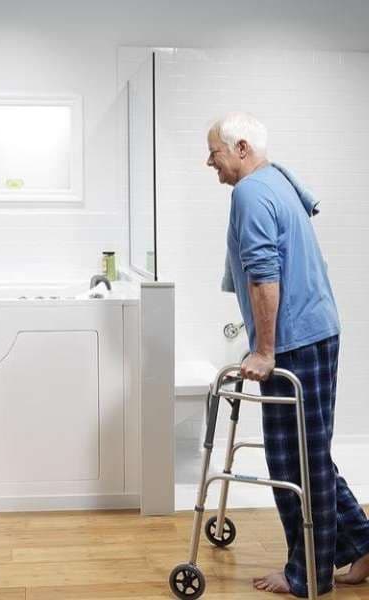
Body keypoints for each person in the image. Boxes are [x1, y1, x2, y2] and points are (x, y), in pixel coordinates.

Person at [206, 112, 369, 596]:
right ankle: (362, 542)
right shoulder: (277, 180)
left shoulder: (251, 192)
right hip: (314, 332)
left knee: (296, 462)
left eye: (214, 151)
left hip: (295, 341)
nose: (209, 161)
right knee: (307, 454)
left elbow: (264, 274)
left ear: (240, 148)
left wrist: (264, 349)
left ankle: (309, 574)